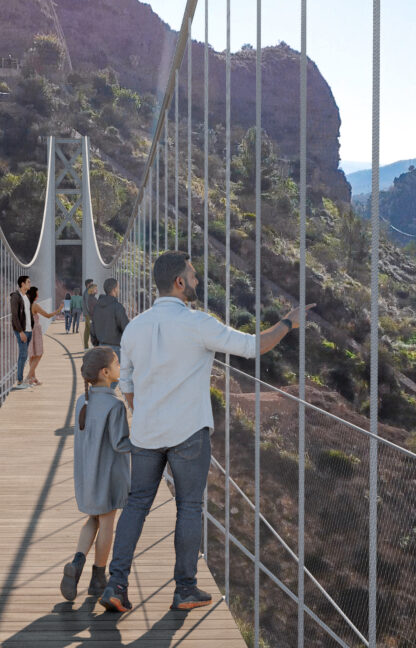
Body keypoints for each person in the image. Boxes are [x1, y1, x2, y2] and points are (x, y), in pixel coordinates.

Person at [99, 251, 312, 615]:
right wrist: (288, 323)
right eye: (193, 276)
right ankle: (185, 589)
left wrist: (146, 414)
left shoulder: (135, 327)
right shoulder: (198, 323)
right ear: (179, 282)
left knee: (136, 505)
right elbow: (253, 346)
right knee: (189, 507)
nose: (197, 281)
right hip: (188, 434)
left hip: (146, 434)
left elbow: (128, 384)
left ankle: (116, 584)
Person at [60, 346, 131, 601]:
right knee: (107, 523)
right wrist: (144, 443)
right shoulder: (115, 405)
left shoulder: (83, 401)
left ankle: (77, 562)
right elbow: (120, 444)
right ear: (105, 372)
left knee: (92, 519)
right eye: (117, 363)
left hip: (87, 474)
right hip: (108, 477)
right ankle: (98, 578)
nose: (120, 367)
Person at [24, 286, 57, 387]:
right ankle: (28, 377)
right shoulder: (35, 305)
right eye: (37, 293)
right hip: (35, 330)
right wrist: (59, 310)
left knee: (32, 355)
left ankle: (33, 378)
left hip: (27, 330)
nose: (38, 295)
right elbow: (47, 315)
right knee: (39, 353)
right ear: (34, 294)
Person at [87, 278, 127, 357]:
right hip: (116, 350)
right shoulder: (117, 307)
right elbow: (126, 328)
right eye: (118, 287)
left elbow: (92, 328)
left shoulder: (97, 307)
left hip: (101, 347)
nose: (119, 290)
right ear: (114, 289)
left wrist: (96, 345)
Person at [9, 275, 32, 390]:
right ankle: (19, 381)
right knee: (23, 355)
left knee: (24, 355)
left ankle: (21, 380)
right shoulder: (15, 297)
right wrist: (21, 332)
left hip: (28, 330)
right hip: (22, 331)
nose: (30, 284)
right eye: (28, 282)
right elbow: (15, 316)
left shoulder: (26, 296)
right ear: (22, 284)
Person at [82, 280, 98, 349]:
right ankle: (91, 345)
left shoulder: (86, 292)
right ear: (88, 285)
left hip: (87, 314)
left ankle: (86, 346)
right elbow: (88, 304)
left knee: (87, 329)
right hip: (89, 314)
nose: (92, 285)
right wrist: (92, 314)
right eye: (91, 284)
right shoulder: (87, 293)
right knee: (91, 330)